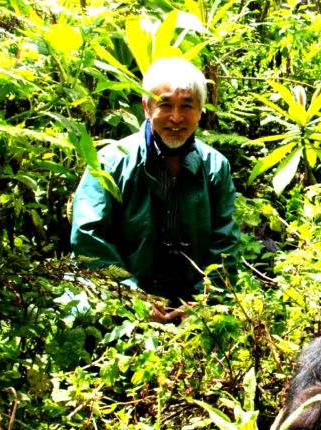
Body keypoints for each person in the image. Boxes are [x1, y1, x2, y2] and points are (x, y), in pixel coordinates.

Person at [70, 57, 240, 322]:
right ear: (146, 107)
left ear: (201, 111)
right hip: (121, 303)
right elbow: (89, 239)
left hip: (191, 307)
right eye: (165, 104)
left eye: (187, 106)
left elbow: (225, 245)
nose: (176, 117)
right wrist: (131, 298)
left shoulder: (215, 167)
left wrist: (203, 302)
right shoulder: (110, 162)